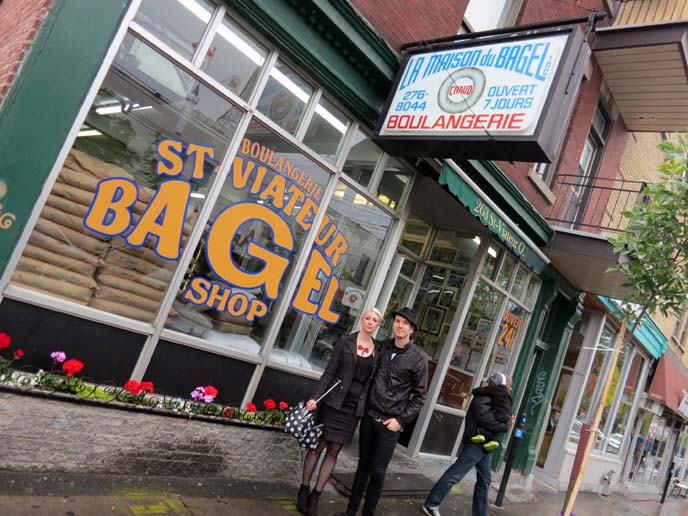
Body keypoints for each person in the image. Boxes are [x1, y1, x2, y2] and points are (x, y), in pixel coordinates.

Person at [337, 307, 428, 516]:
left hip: (390, 424)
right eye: (397, 321)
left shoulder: (418, 358)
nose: (400, 325)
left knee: (378, 472)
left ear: (412, 329)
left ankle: (368, 513)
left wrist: (401, 421)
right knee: (362, 467)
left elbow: (419, 396)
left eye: (405, 323)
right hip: (370, 416)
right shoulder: (383, 347)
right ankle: (350, 512)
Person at [297, 308, 382, 516]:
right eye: (368, 318)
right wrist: (314, 397)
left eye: (375, 320)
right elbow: (329, 372)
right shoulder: (345, 341)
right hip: (333, 403)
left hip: (353, 410)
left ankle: (316, 496)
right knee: (319, 445)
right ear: (362, 320)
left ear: (378, 325)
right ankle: (304, 489)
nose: (370, 322)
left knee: (334, 450)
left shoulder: (378, 351)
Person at [422, 374, 514, 516]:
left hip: (485, 443)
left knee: (484, 481)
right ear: (501, 385)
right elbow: (485, 419)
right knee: (455, 474)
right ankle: (431, 504)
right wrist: (504, 426)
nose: (510, 388)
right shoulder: (484, 396)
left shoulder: (492, 397)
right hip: (476, 442)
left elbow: (492, 417)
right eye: (509, 385)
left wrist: (505, 421)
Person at [469, 373, 513, 452]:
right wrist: (506, 425)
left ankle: (481, 434)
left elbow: (485, 417)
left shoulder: (492, 391)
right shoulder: (505, 394)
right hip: (506, 415)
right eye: (510, 385)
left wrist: (473, 391)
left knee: (493, 416)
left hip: (479, 445)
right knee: (485, 464)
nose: (510, 388)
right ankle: (493, 440)